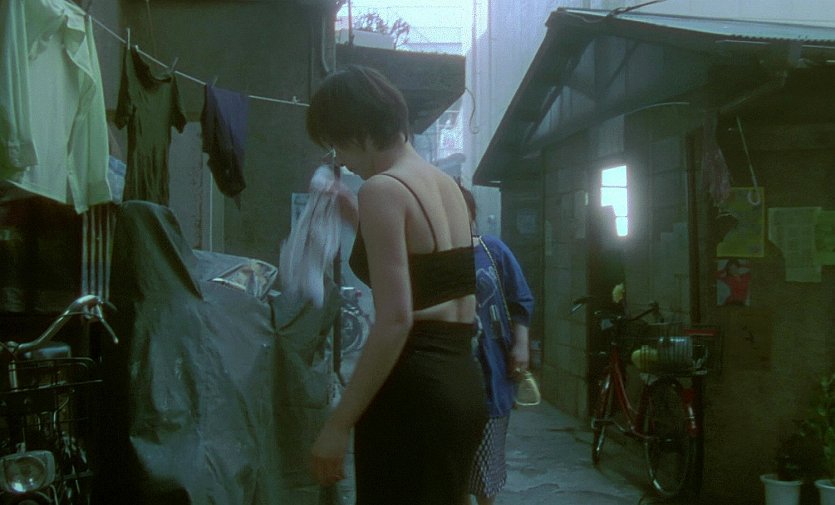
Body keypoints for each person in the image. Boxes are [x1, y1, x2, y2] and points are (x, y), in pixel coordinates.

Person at [305, 65, 487, 505]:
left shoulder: (382, 190)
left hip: (413, 390)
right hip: (461, 381)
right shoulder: (447, 186)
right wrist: (352, 213)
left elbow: (396, 320)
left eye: (337, 143)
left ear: (361, 131)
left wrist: (338, 425)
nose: (340, 160)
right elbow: (427, 273)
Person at [459, 186, 534, 505]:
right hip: (453, 369)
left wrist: (521, 345)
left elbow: (521, 298)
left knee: (486, 468)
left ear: (471, 213)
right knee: (456, 466)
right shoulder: (434, 255)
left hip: (492, 366)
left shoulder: (492, 250)